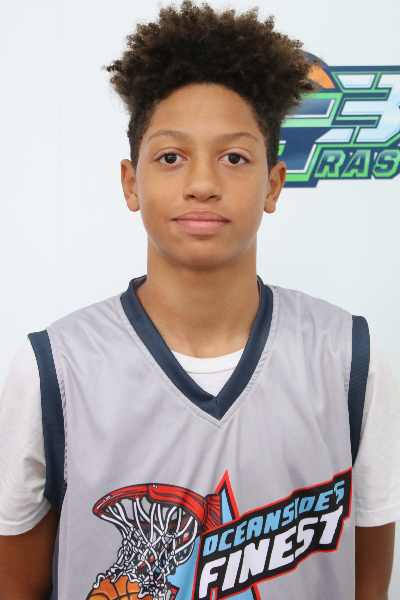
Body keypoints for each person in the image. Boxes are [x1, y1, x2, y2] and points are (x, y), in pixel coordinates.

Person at [0, 2, 399, 599]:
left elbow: (366, 582)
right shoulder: (52, 369)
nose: (204, 183)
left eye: (234, 157)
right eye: (171, 157)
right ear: (131, 182)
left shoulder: (348, 358)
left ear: (273, 184)